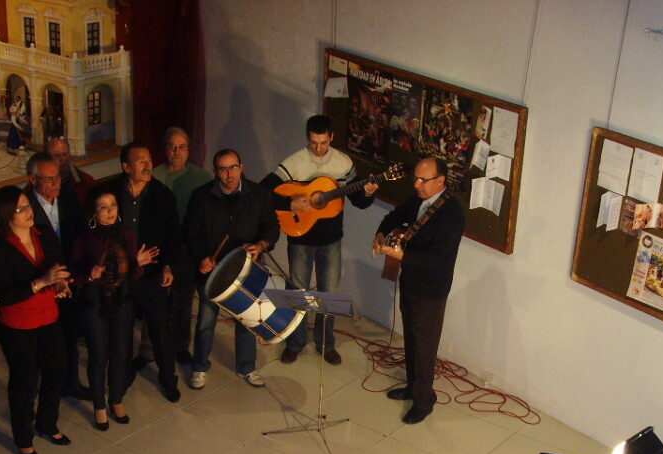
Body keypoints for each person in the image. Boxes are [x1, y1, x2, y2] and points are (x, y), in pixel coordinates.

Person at [261, 114, 378, 366]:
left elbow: (358, 200)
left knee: (330, 294)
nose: (318, 148)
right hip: (300, 238)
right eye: (314, 142)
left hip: (331, 240)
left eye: (323, 142)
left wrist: (367, 193)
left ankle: (326, 343)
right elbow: (264, 192)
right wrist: (290, 202)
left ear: (331, 138)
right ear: (308, 138)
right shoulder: (294, 163)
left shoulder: (343, 163)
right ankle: (295, 342)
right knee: (298, 293)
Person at [373, 156, 464, 424]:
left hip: (432, 288)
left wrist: (402, 257)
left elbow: (437, 259)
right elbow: (393, 216)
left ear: (441, 181)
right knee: (411, 337)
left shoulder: (452, 213)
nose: (417, 185)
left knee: (425, 344)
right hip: (411, 280)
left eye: (424, 181)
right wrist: (381, 233)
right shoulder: (419, 201)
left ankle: (424, 401)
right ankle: (413, 387)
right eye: (416, 178)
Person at [0, 185, 71, 454]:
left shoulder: (44, 234)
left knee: (56, 371)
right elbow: (4, 296)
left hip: (49, 316)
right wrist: (41, 282)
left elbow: (57, 267)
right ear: (7, 215)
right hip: (18, 324)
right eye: (21, 209)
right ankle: (23, 437)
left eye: (28, 206)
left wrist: (61, 283)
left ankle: (47, 423)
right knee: (24, 382)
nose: (28, 212)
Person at [184, 148, 278, 389]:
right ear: (215, 172)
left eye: (233, 167)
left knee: (245, 321)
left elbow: (271, 228)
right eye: (223, 169)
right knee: (206, 322)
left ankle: (247, 367)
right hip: (212, 271)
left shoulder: (259, 194)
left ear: (242, 167)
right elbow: (190, 233)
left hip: (245, 269)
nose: (229, 174)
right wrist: (200, 258)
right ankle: (200, 366)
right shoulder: (201, 196)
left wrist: (261, 245)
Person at [71, 188, 160, 429]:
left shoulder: (127, 235)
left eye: (113, 205)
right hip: (94, 303)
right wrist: (90, 275)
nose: (110, 211)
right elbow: (75, 275)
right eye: (103, 207)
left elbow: (133, 274)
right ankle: (99, 404)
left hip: (122, 302)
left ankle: (117, 399)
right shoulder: (84, 237)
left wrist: (139, 264)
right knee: (99, 355)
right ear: (94, 211)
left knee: (121, 353)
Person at [106, 140, 180, 402]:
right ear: (127, 167)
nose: (148, 165)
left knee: (160, 330)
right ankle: (123, 375)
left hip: (151, 275)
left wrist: (168, 265)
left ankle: (168, 378)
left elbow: (173, 235)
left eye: (149, 160)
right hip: (121, 277)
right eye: (141, 161)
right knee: (122, 331)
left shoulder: (162, 195)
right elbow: (97, 233)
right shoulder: (109, 194)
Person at [26, 151, 89, 400]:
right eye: (48, 179)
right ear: (33, 180)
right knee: (44, 344)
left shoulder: (69, 199)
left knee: (70, 335)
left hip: (69, 279)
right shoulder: (24, 207)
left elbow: (79, 236)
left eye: (58, 178)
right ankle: (45, 391)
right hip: (41, 282)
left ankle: (71, 383)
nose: (55, 184)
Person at [153, 127, 212, 363]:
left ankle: (179, 346)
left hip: (188, 249)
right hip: (159, 248)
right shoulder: (154, 175)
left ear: (189, 150)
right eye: (171, 146)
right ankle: (151, 348)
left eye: (182, 147)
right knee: (156, 300)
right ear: (165, 148)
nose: (176, 152)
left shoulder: (202, 178)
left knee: (183, 300)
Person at [46, 136, 95, 207]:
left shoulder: (86, 182)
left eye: (65, 154)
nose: (62, 159)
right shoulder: (38, 186)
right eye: (57, 156)